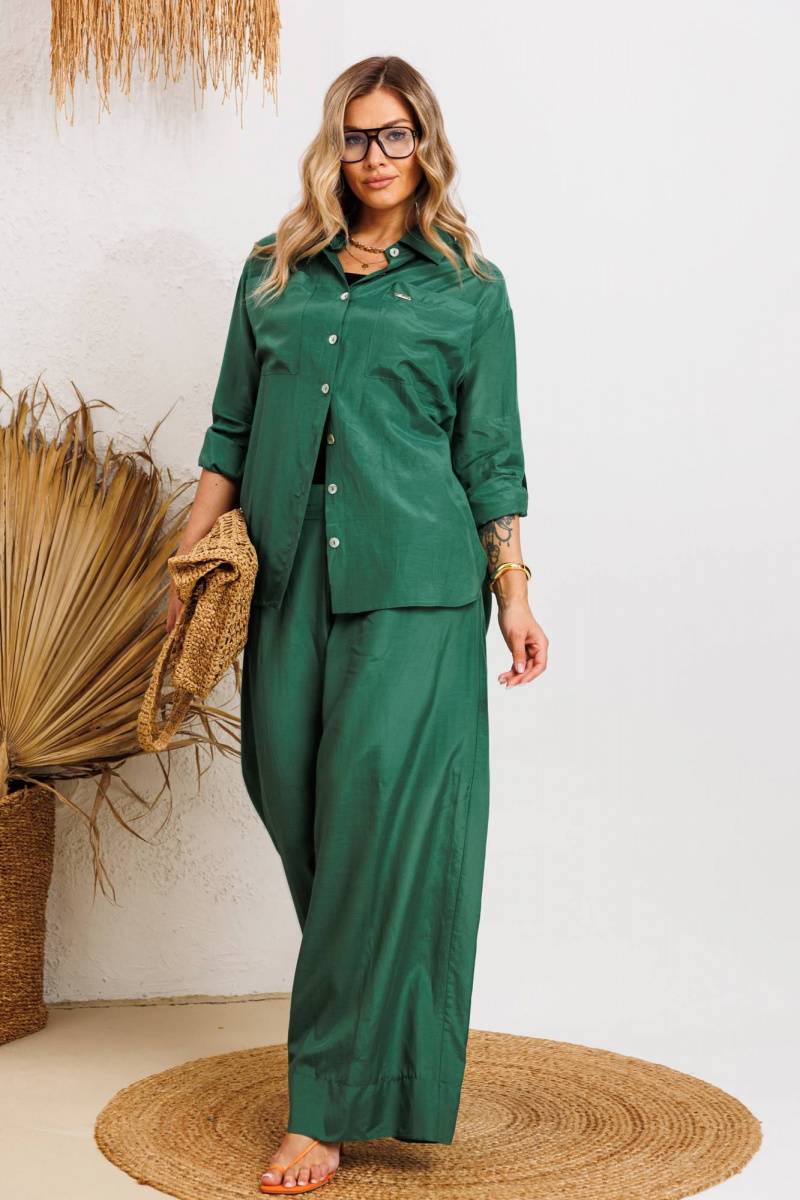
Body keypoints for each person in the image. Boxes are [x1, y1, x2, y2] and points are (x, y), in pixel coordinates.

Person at [169, 54, 549, 1196]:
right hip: (284, 586)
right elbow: (232, 430)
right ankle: (374, 1047)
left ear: (425, 145)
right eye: (355, 135)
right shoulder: (273, 273)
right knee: (296, 804)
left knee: (374, 838)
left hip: (417, 595)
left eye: (394, 136)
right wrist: (188, 558)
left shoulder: (468, 289)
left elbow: (490, 453)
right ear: (331, 145)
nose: (375, 157)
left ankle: (325, 1108)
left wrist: (514, 587)